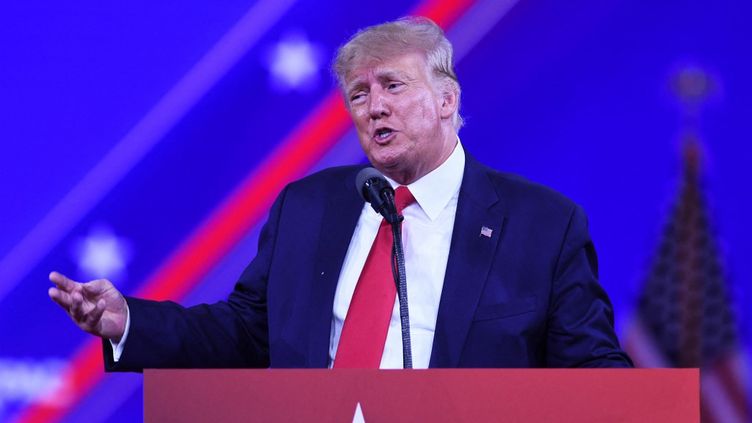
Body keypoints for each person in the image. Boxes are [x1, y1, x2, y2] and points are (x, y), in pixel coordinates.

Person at [48, 17, 632, 369]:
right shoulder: (308, 207)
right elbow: (247, 331)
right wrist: (128, 322)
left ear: (448, 99)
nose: (374, 105)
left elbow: (589, 365)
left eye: (394, 86)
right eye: (358, 94)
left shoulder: (542, 224)